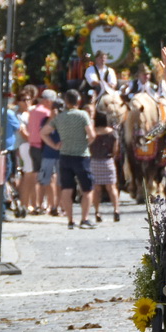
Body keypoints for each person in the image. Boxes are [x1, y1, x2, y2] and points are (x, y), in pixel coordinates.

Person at [52, 89, 96, 229]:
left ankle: (70, 220)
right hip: (81, 156)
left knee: (67, 188)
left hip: (65, 155)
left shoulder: (60, 117)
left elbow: (43, 132)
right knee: (87, 189)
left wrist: (54, 145)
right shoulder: (83, 115)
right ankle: (84, 219)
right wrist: (86, 143)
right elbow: (92, 134)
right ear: (78, 101)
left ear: (66, 102)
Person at [90, 110, 121, 223]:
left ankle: (97, 211)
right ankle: (116, 210)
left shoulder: (93, 132)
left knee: (96, 189)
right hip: (108, 161)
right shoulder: (112, 133)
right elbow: (115, 150)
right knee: (112, 187)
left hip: (94, 162)